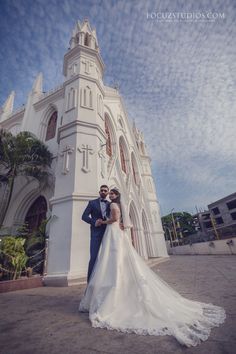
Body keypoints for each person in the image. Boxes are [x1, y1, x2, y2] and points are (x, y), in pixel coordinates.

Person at [79, 189, 226, 347]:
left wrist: (107, 222)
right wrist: (100, 222)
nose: (109, 194)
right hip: (103, 233)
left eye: (111, 192)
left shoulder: (112, 204)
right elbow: (90, 217)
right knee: (102, 260)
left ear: (113, 194)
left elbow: (115, 218)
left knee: (115, 259)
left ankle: (116, 288)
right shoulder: (101, 203)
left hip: (112, 232)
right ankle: (98, 288)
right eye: (107, 192)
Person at [81, 185, 110, 282]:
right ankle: (90, 282)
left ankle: (107, 280)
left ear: (107, 193)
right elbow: (84, 216)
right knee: (93, 256)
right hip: (95, 232)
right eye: (101, 190)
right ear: (99, 192)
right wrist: (94, 222)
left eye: (105, 191)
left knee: (109, 255)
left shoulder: (110, 204)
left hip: (108, 232)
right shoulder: (92, 203)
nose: (103, 192)